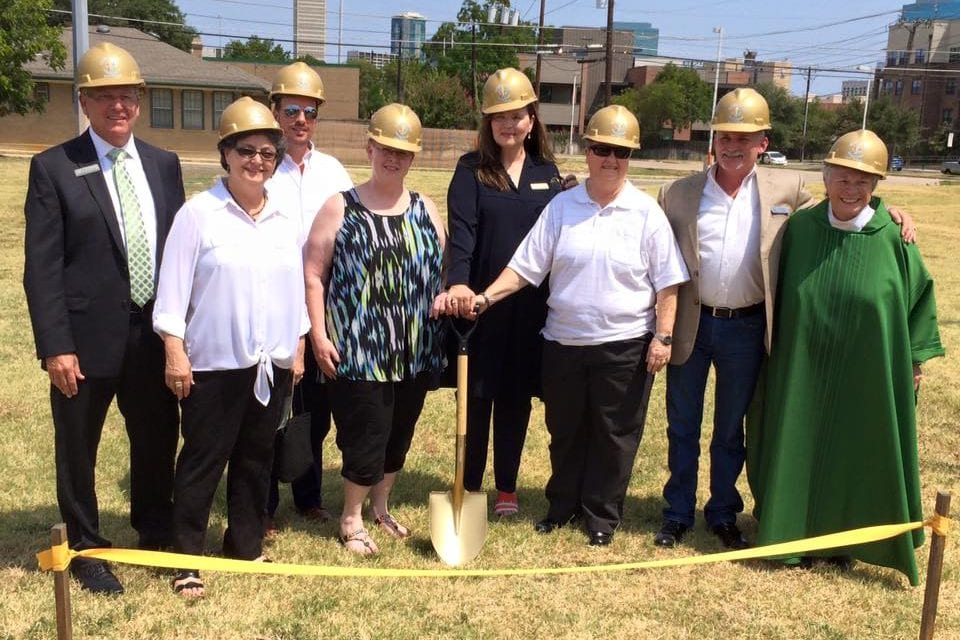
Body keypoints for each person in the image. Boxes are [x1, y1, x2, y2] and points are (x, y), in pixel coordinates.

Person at [654, 89, 917, 550]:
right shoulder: (676, 193)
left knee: (733, 429)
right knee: (682, 425)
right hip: (693, 326)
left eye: (747, 138)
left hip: (748, 327)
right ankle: (676, 513)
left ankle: (721, 512)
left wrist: (888, 209)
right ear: (713, 140)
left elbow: (844, 200)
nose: (734, 146)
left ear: (763, 143)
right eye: (726, 137)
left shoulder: (789, 190)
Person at [466, 106, 688, 546]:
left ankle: (601, 517)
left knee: (614, 435)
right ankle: (561, 506)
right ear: (588, 151)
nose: (611, 159)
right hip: (563, 342)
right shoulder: (561, 207)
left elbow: (668, 284)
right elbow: (526, 266)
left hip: (623, 344)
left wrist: (663, 337)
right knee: (564, 431)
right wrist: (486, 296)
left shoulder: (645, 212)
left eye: (621, 152)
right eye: (603, 149)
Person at [23, 42, 183, 595]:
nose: (119, 106)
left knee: (158, 440)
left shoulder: (164, 165)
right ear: (84, 101)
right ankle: (87, 548)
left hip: (151, 337)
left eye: (128, 96)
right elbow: (41, 268)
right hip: (84, 342)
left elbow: (178, 258)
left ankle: (155, 533)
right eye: (105, 97)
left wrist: (178, 335)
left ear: (140, 101)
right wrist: (55, 346)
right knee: (78, 448)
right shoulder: (53, 167)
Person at [750, 129, 943, 584]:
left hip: (868, 370)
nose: (851, 188)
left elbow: (919, 297)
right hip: (803, 366)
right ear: (826, 175)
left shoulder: (893, 236)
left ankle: (852, 539)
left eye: (863, 181)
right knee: (802, 440)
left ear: (876, 186)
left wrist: (912, 360)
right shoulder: (801, 229)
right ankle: (794, 532)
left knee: (859, 449)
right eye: (842, 177)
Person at [153, 97, 306, 598]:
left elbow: (294, 291)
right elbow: (172, 294)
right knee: (202, 460)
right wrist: (175, 352)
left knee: (256, 459)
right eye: (246, 150)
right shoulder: (199, 214)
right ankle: (188, 558)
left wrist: (298, 346)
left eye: (267, 152)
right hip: (214, 366)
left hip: (270, 363)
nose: (257, 161)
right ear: (225, 153)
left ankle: (244, 545)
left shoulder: (285, 217)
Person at [304, 104, 446, 556]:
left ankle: (382, 506)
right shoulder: (339, 207)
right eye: (386, 148)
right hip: (360, 350)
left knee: (399, 434)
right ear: (370, 147)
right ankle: (351, 518)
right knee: (366, 435)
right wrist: (319, 334)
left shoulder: (425, 207)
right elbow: (312, 274)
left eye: (403, 152)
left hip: (415, 349)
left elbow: (444, 269)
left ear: (413, 158)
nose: (393, 158)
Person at [445, 68, 568, 517]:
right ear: (487, 122)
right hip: (480, 305)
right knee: (476, 396)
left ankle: (508, 489)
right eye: (499, 117)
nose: (508, 125)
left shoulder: (547, 173)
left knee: (515, 398)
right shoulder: (471, 169)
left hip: (530, 307)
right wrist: (459, 284)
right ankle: (470, 484)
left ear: (532, 120)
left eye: (517, 115)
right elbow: (462, 232)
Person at [264, 61, 353, 533]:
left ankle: (309, 496)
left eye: (310, 111)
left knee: (313, 414)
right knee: (267, 410)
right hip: (270, 304)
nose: (301, 120)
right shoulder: (260, 166)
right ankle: (262, 504)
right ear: (274, 111)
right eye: (292, 109)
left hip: (321, 306)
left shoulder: (334, 172)